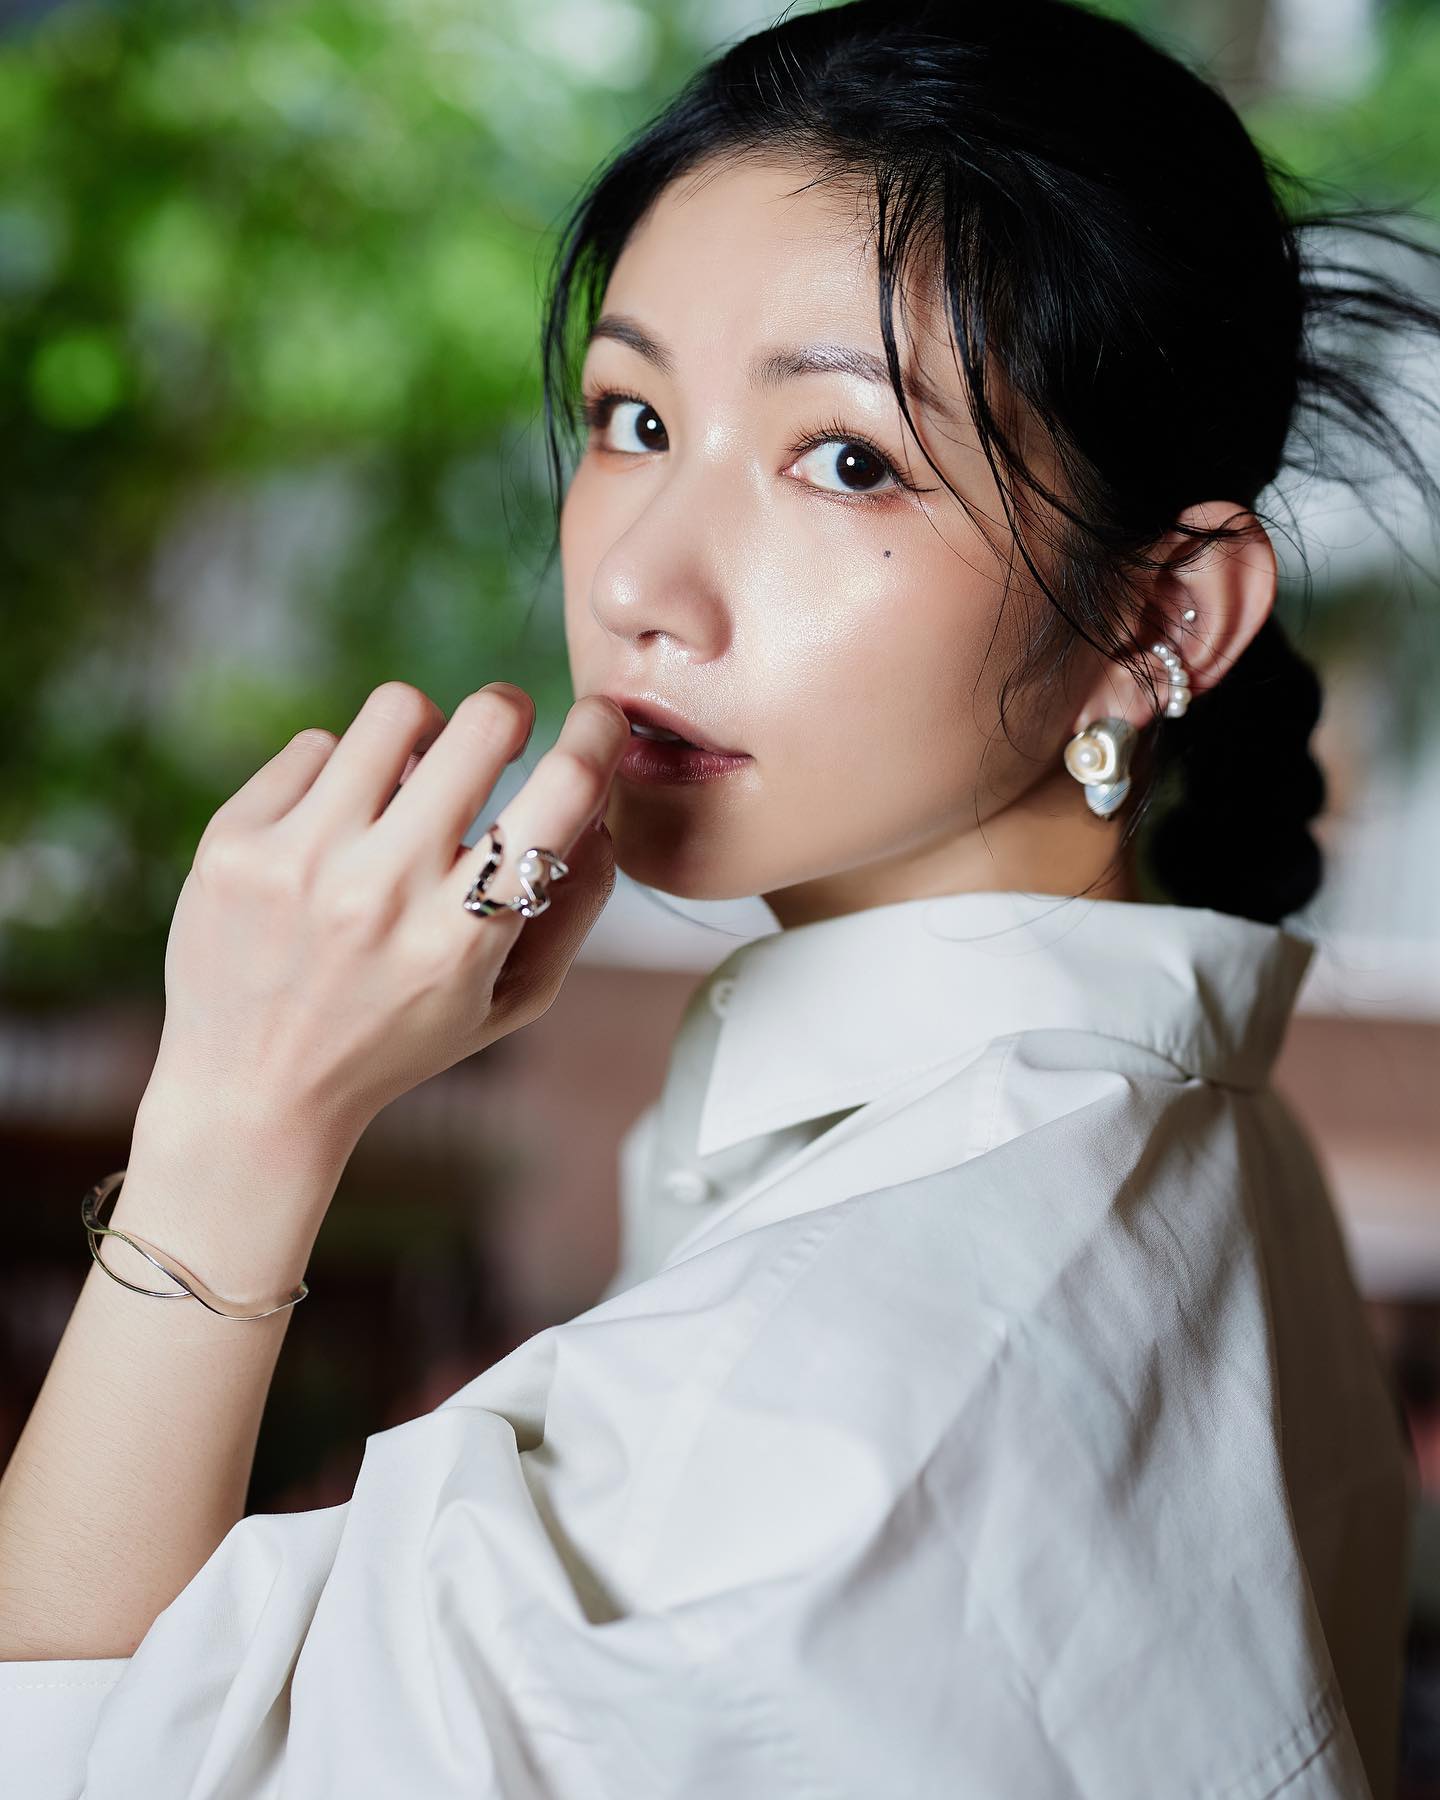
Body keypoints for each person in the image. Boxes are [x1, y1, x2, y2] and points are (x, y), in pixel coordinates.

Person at [2, 1, 1437, 1793]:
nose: (641, 586)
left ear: (1160, 616)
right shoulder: (1171, 1142)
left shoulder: (819, 1413)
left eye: (847, 459)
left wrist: (239, 1115)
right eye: (634, 416)